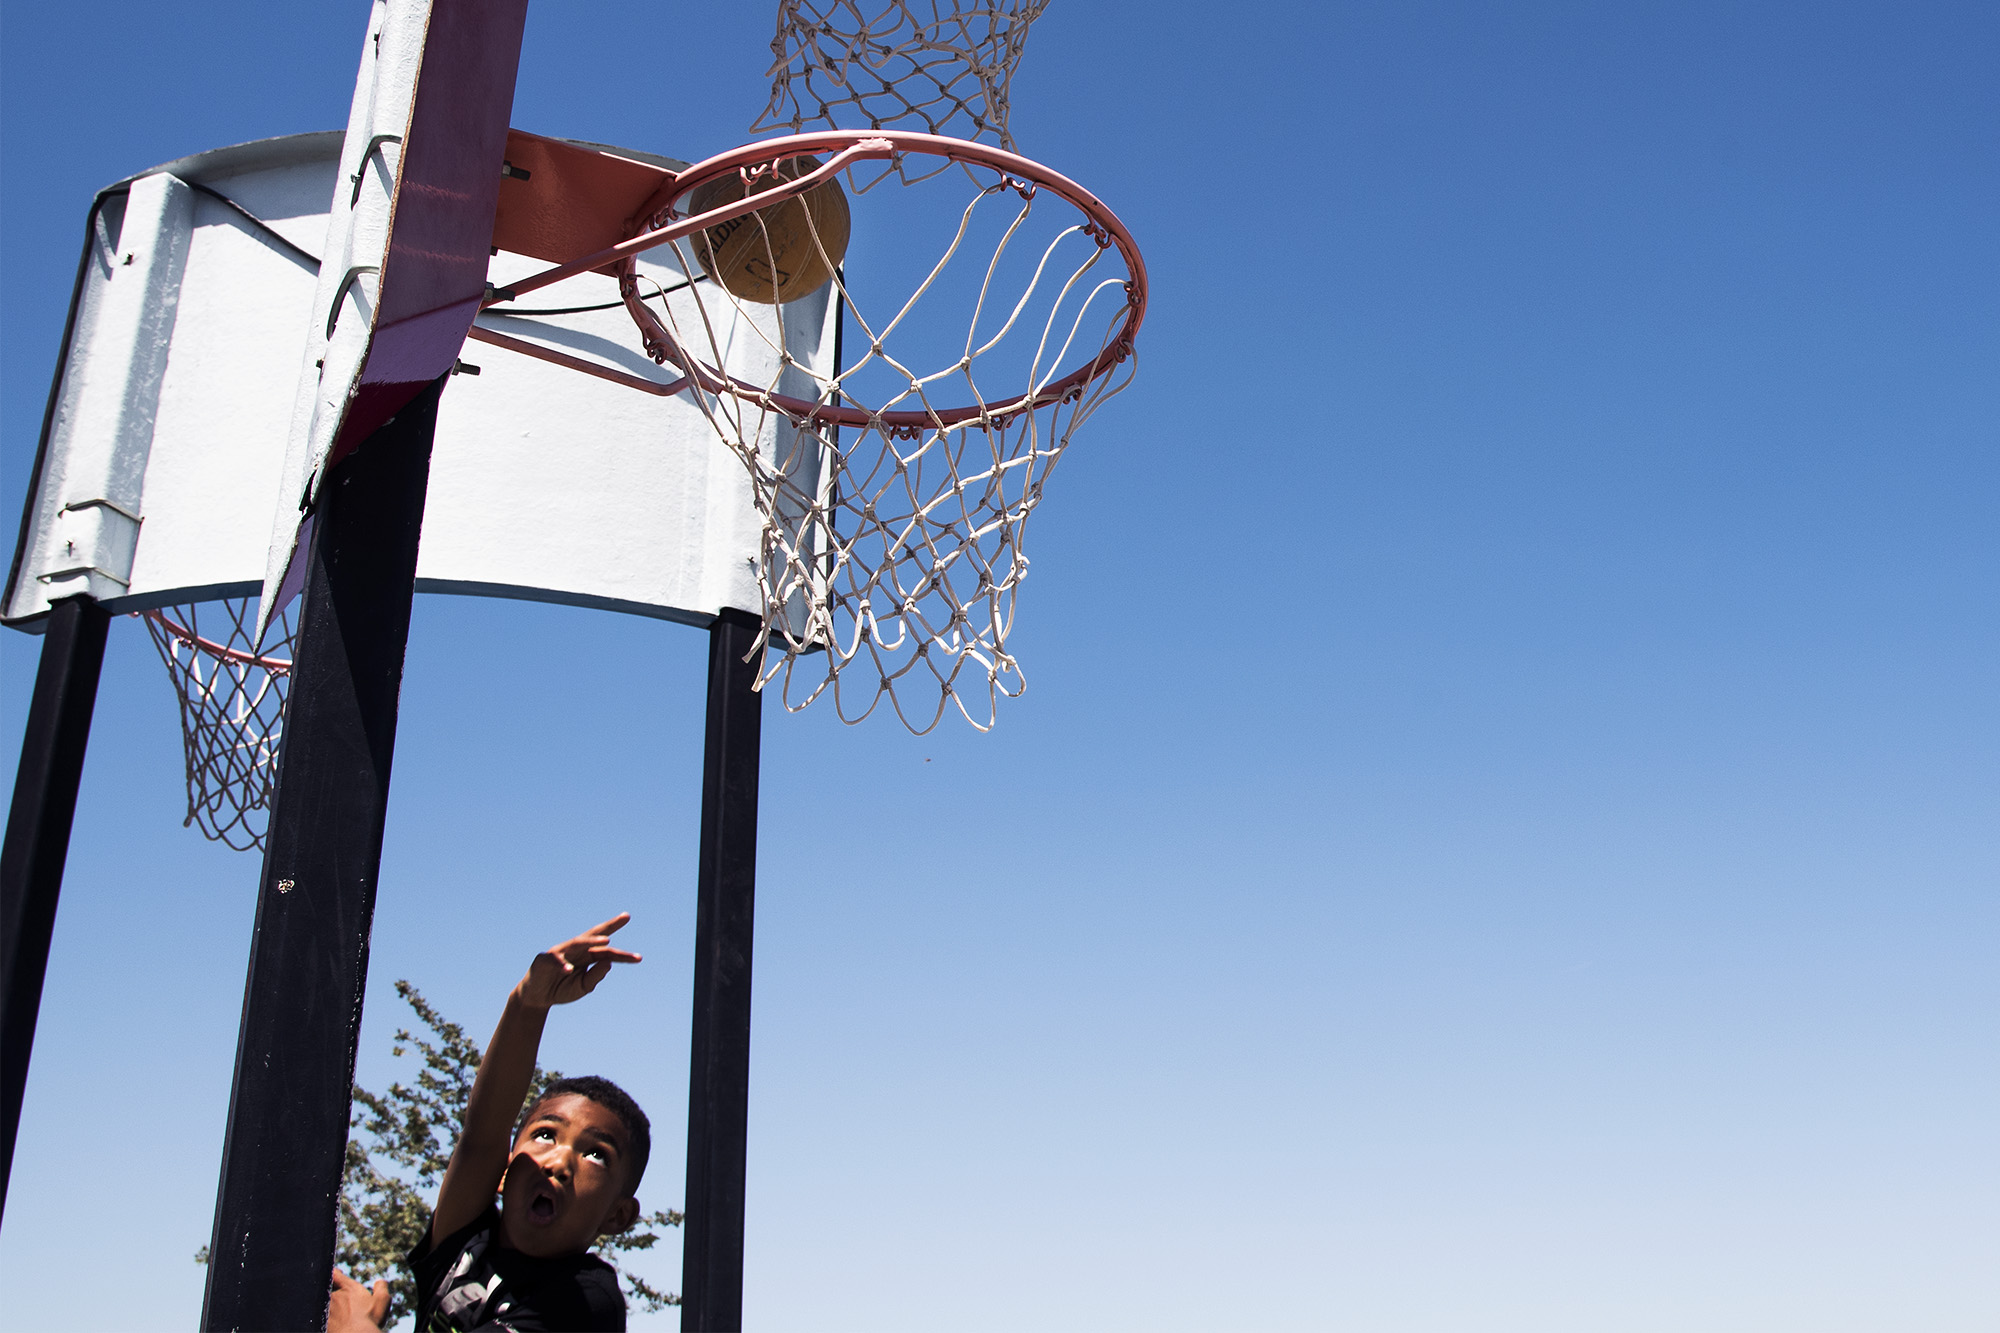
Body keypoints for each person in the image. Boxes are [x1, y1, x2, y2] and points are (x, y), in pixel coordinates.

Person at [330, 913, 647, 1332]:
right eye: (545, 1134)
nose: (557, 1162)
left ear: (618, 1217)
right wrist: (528, 1003)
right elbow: (483, 1130)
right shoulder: (468, 1242)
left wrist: (356, 1327)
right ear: (503, 1173)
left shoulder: (587, 1301)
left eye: (595, 1154)